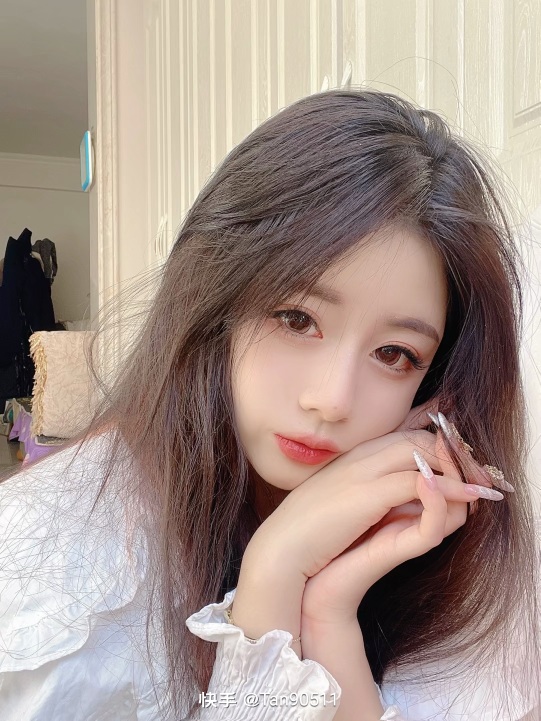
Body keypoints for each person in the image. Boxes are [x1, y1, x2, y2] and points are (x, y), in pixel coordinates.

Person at [0, 89, 539, 721]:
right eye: (296, 318)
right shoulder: (48, 564)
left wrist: (326, 613)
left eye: (394, 354)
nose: (331, 400)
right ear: (219, 302)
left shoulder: (466, 566)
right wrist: (273, 580)